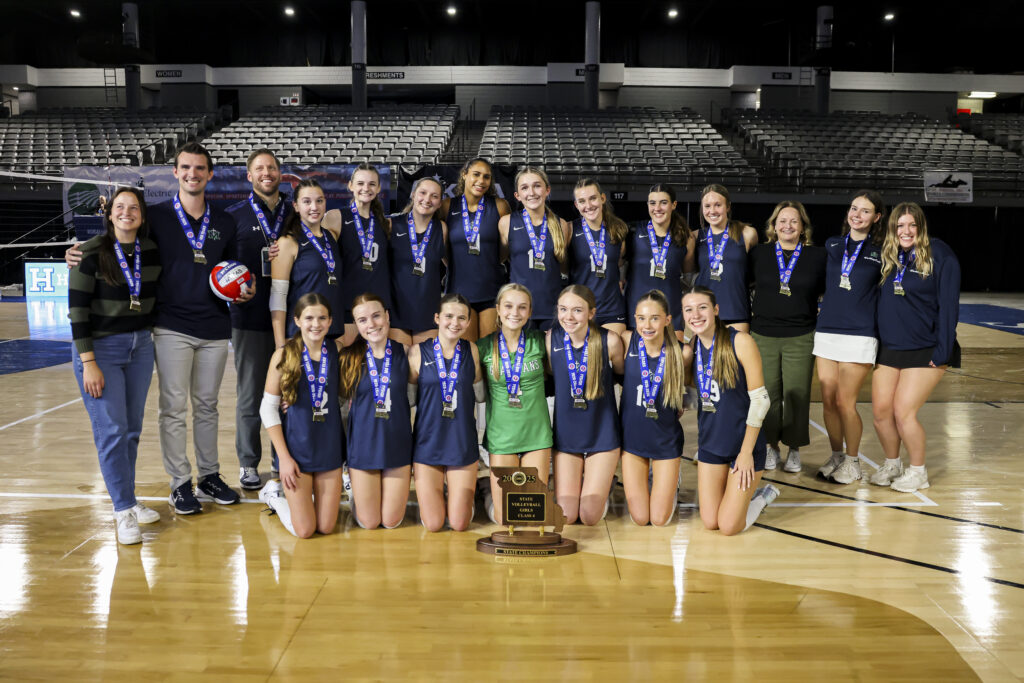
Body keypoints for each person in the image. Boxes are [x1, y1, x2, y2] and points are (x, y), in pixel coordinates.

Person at [65, 142, 253, 515]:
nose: (192, 174)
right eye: (186, 167)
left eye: (200, 168)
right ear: (175, 172)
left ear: (210, 174)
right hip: (170, 326)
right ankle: (180, 483)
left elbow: (236, 271)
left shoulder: (226, 222)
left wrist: (246, 290)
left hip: (216, 327)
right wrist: (78, 250)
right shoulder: (157, 216)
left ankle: (210, 475)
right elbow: (118, 237)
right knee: (173, 409)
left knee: (207, 406)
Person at [69, 187, 161, 544]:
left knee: (132, 431)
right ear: (109, 214)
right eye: (120, 207)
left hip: (140, 348)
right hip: (101, 352)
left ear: (141, 214)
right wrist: (88, 361)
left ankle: (130, 500)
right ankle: (122, 510)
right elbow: (77, 312)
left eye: (133, 207)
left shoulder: (150, 251)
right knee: (112, 432)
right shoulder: (88, 253)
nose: (126, 213)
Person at [870, 203, 961, 493]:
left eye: (912, 225)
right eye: (899, 226)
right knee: (881, 411)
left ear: (921, 226)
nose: (906, 231)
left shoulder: (941, 254)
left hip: (926, 347)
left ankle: (918, 472)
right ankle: (892, 463)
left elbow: (949, 307)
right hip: (890, 347)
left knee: (903, 411)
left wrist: (943, 350)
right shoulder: (890, 255)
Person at [683, 286, 778, 536]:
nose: (696, 314)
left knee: (728, 527)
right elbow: (694, 391)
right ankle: (739, 494)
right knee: (710, 522)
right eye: (689, 309)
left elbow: (761, 401)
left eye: (702, 307)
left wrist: (746, 453)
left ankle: (762, 497)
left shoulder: (740, 341)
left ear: (715, 310)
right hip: (711, 446)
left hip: (743, 448)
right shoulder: (691, 348)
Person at [225, 148, 292, 490]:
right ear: (249, 176)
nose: (267, 173)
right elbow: (217, 267)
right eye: (260, 169)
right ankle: (248, 463)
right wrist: (232, 292)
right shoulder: (233, 215)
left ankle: (284, 460)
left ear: (281, 174)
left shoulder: (295, 213)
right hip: (248, 318)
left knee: (289, 393)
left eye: (272, 168)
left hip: (291, 321)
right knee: (251, 395)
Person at [748, 201, 826, 473]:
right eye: (782, 220)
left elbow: (828, 292)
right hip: (763, 334)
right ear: (773, 225)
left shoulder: (817, 257)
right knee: (767, 395)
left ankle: (794, 449)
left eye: (794, 221)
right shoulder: (759, 253)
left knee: (797, 394)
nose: (787, 225)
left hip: (801, 335)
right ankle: (770, 446)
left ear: (803, 227)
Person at [257, 293, 344, 537]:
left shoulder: (338, 351)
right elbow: (267, 408)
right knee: (305, 531)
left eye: (322, 318)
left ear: (330, 322)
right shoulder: (283, 355)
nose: (315, 324)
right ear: (297, 320)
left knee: (326, 528)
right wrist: (284, 458)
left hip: (329, 449)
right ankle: (274, 497)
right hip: (297, 452)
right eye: (309, 318)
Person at [814, 190, 886, 484]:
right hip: (828, 330)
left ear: (876, 218)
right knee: (828, 401)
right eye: (854, 208)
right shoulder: (832, 244)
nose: (857, 214)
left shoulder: (882, 250)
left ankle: (854, 462)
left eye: (865, 211)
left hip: (859, 334)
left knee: (846, 402)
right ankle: (836, 456)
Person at [547, 285, 624, 525]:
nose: (568, 317)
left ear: (591, 313)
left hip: (602, 434)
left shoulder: (609, 340)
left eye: (577, 310)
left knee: (589, 517)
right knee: (567, 516)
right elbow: (553, 376)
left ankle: (606, 482)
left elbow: (622, 375)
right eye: (563, 309)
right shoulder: (551, 339)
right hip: (567, 437)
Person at [408, 293, 485, 531]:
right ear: (437, 318)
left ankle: (481, 490)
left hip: (461, 443)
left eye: (462, 318)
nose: (455, 322)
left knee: (460, 524)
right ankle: (436, 494)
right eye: (449, 316)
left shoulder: (471, 350)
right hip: (427, 443)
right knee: (433, 524)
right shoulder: (417, 352)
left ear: (469, 323)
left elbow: (481, 396)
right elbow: (409, 401)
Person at [477, 283, 552, 523]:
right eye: (508, 306)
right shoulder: (483, 347)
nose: (515, 313)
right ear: (498, 309)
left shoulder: (541, 341)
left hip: (536, 436)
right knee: (506, 519)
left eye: (522, 307)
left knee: (532, 517)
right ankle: (487, 489)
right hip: (502, 438)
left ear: (530, 312)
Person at [339, 293, 412, 529]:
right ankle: (354, 489)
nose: (371, 324)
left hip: (397, 447)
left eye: (376, 316)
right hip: (363, 448)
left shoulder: (408, 353)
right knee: (369, 523)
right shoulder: (348, 358)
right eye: (362, 320)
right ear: (357, 325)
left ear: (387, 316)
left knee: (391, 522)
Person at [619, 289, 687, 526]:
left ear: (668, 320)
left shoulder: (682, 353)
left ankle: (669, 480)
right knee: (640, 518)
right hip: (633, 442)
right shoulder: (627, 341)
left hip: (665, 442)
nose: (647, 325)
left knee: (659, 520)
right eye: (641, 318)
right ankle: (653, 481)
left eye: (655, 318)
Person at [441, 158, 511, 341]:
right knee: (467, 353)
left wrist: (489, 263)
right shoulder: (447, 206)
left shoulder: (500, 206)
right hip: (459, 291)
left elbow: (504, 250)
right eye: (476, 174)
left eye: (487, 177)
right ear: (464, 175)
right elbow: (443, 250)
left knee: (489, 354)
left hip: (491, 290)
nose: (481, 181)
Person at [270, 179, 346, 348]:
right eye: (307, 202)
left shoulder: (332, 237)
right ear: (296, 206)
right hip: (299, 335)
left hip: (331, 331)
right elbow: (278, 297)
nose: (314, 207)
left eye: (319, 201)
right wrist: (280, 344)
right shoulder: (287, 242)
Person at [324, 163, 392, 346]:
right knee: (348, 366)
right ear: (351, 185)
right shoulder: (335, 217)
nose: (366, 188)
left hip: (379, 307)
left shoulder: (386, 224)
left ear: (378, 188)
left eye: (371, 184)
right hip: (347, 306)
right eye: (360, 183)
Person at [498, 166, 571, 330]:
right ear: (517, 195)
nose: (531, 192)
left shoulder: (561, 225)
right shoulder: (507, 222)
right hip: (518, 311)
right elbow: (500, 259)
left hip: (552, 309)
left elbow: (564, 267)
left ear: (547, 190)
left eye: (537, 185)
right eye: (524, 187)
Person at [624, 184, 694, 344]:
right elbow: (622, 264)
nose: (657, 208)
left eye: (663, 202)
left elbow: (688, 274)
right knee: (639, 363)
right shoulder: (634, 231)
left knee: (672, 363)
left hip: (671, 310)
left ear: (673, 205)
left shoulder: (686, 238)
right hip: (637, 310)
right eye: (652, 203)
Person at [389, 177, 448, 345]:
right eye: (423, 193)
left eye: (434, 196)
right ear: (413, 195)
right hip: (397, 310)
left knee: (425, 367)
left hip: (427, 310)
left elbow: (451, 263)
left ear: (439, 203)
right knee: (402, 367)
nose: (427, 199)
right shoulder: (392, 224)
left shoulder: (441, 228)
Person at [694, 184, 758, 331]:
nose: (712, 211)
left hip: (736, 312)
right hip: (703, 314)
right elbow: (689, 271)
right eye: (707, 206)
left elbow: (754, 272)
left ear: (728, 206)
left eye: (718, 205)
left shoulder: (747, 234)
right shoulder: (695, 237)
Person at [569, 179, 629, 335]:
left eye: (593, 198)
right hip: (580, 309)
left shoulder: (618, 229)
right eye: (582, 201)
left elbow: (620, 261)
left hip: (612, 309)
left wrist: (621, 278)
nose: (588, 205)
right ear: (576, 205)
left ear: (602, 198)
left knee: (611, 352)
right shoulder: (570, 230)